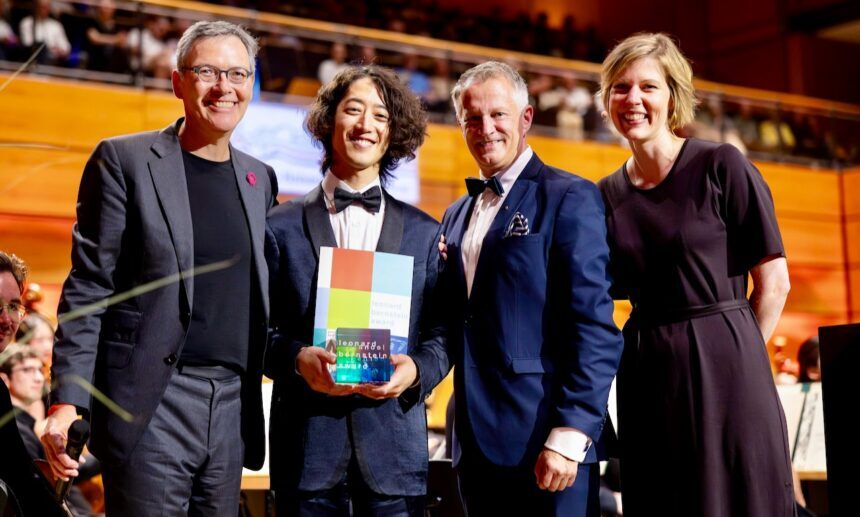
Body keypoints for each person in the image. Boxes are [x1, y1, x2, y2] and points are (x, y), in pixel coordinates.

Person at [40, 20, 278, 516]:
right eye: (208, 72)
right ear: (177, 82)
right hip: (152, 402)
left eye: (238, 74)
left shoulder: (261, 179)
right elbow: (89, 287)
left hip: (232, 406)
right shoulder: (124, 160)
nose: (224, 87)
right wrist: (67, 400)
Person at [597, 33, 794, 515]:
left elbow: (774, 283)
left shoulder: (720, 164)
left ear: (673, 96)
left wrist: (737, 358)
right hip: (647, 373)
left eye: (648, 86)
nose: (633, 99)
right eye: (621, 87)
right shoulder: (604, 194)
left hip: (730, 368)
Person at [440, 61, 623, 516]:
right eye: (472, 118)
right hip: (473, 445)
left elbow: (594, 327)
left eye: (498, 114)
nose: (486, 128)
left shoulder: (569, 196)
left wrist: (570, 433)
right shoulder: (455, 215)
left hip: (549, 441)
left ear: (526, 118)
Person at [265, 65, 448, 517]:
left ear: (393, 133)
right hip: (306, 455)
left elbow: (442, 334)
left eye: (381, 116)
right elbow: (254, 331)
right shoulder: (278, 226)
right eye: (353, 110)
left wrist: (416, 370)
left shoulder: (425, 233)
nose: (366, 124)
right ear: (329, 121)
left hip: (394, 459)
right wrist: (296, 359)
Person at [18, 0, 70, 65]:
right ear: (36, 7)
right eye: (42, 7)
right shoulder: (27, 23)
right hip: (33, 59)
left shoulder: (56, 25)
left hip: (54, 61)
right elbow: (27, 43)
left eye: (46, 7)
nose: (44, 10)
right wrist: (50, 48)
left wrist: (60, 50)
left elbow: (66, 47)